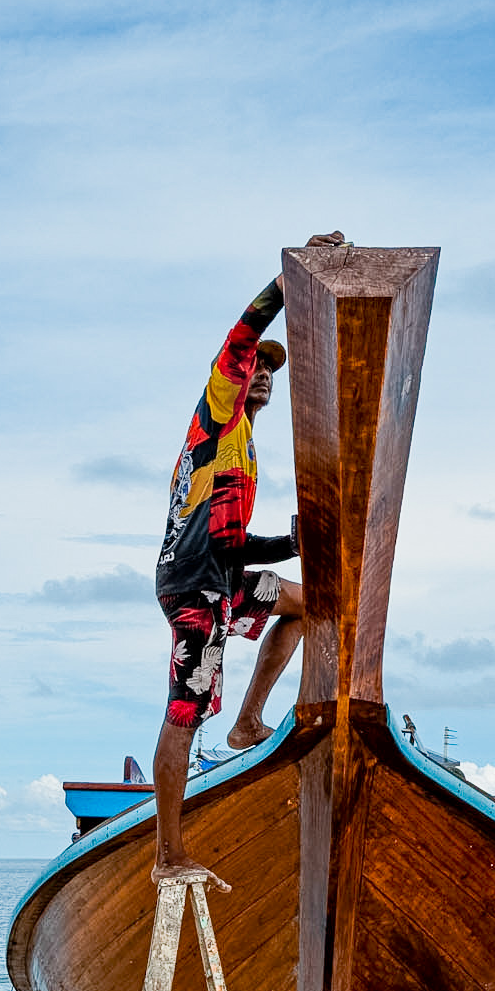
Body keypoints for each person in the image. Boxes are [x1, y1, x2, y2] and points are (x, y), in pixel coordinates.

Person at [151, 236, 344, 881]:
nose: (261, 374)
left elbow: (233, 542)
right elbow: (238, 338)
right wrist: (287, 286)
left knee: (308, 603)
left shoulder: (246, 449)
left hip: (224, 575)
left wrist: (292, 544)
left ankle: (248, 722)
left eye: (270, 370)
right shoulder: (214, 418)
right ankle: (168, 856)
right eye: (254, 367)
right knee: (185, 705)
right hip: (195, 589)